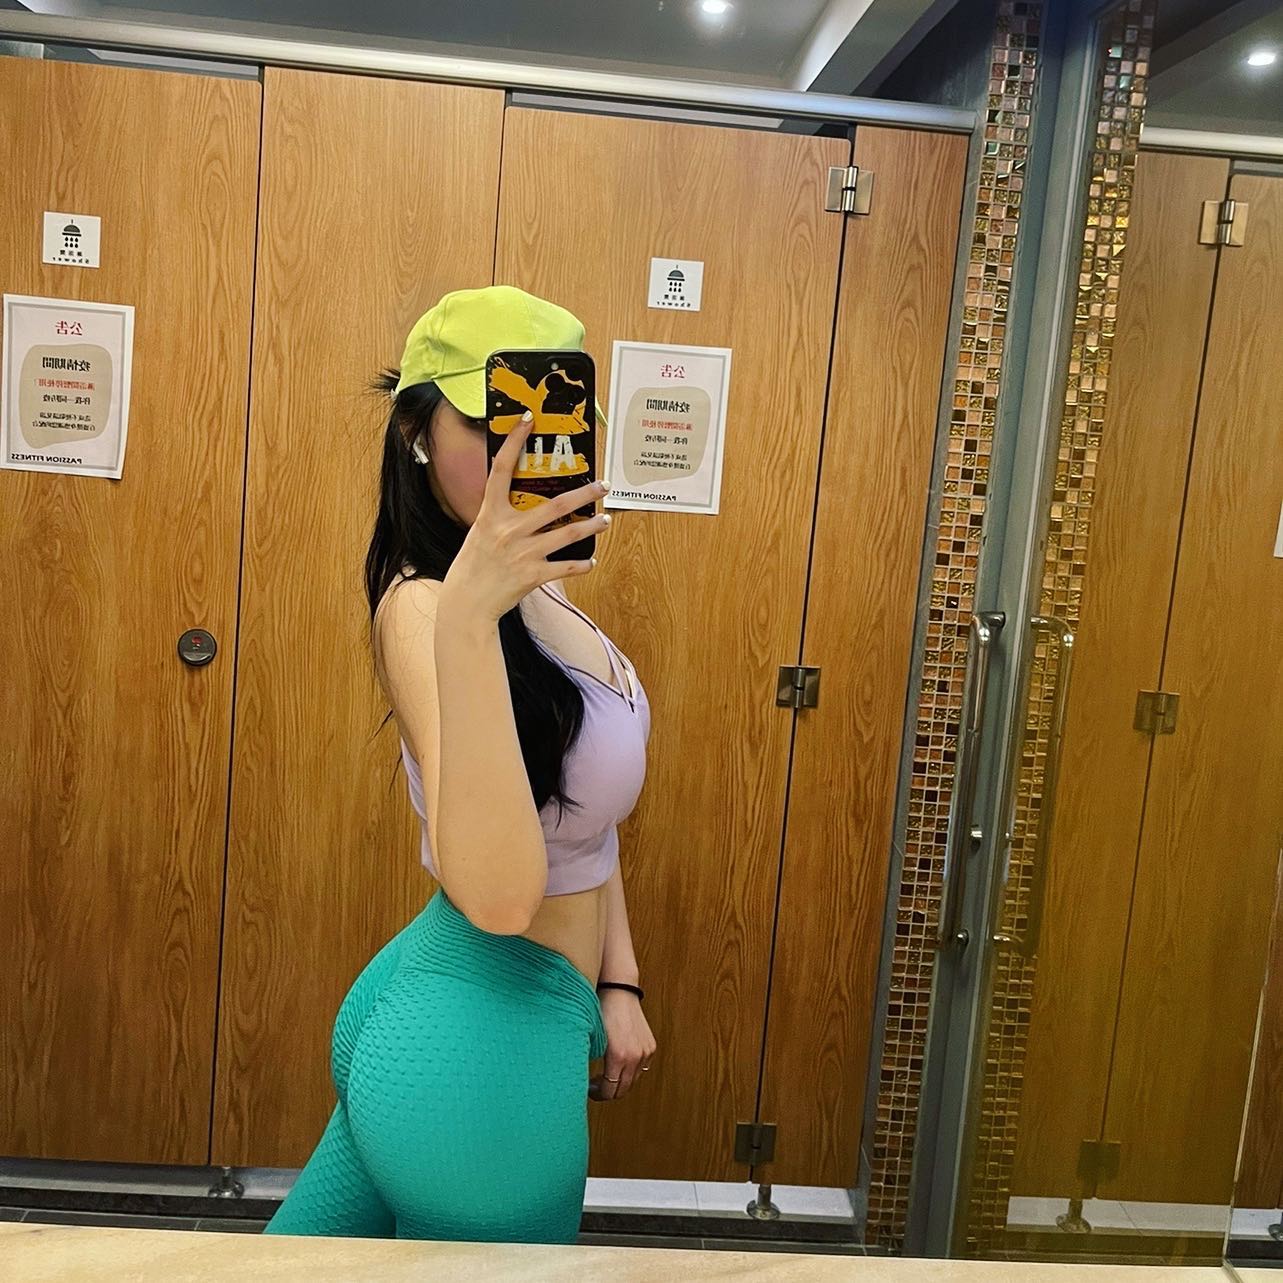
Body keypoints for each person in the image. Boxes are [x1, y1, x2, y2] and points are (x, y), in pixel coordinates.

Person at [265, 286, 655, 1244]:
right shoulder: (429, 609)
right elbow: (501, 897)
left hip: (477, 1014)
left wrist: (620, 981)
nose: (523, 452)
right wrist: (474, 613)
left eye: (552, 426)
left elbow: (586, 822)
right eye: (492, 426)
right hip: (478, 1044)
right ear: (416, 433)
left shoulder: (539, 598)